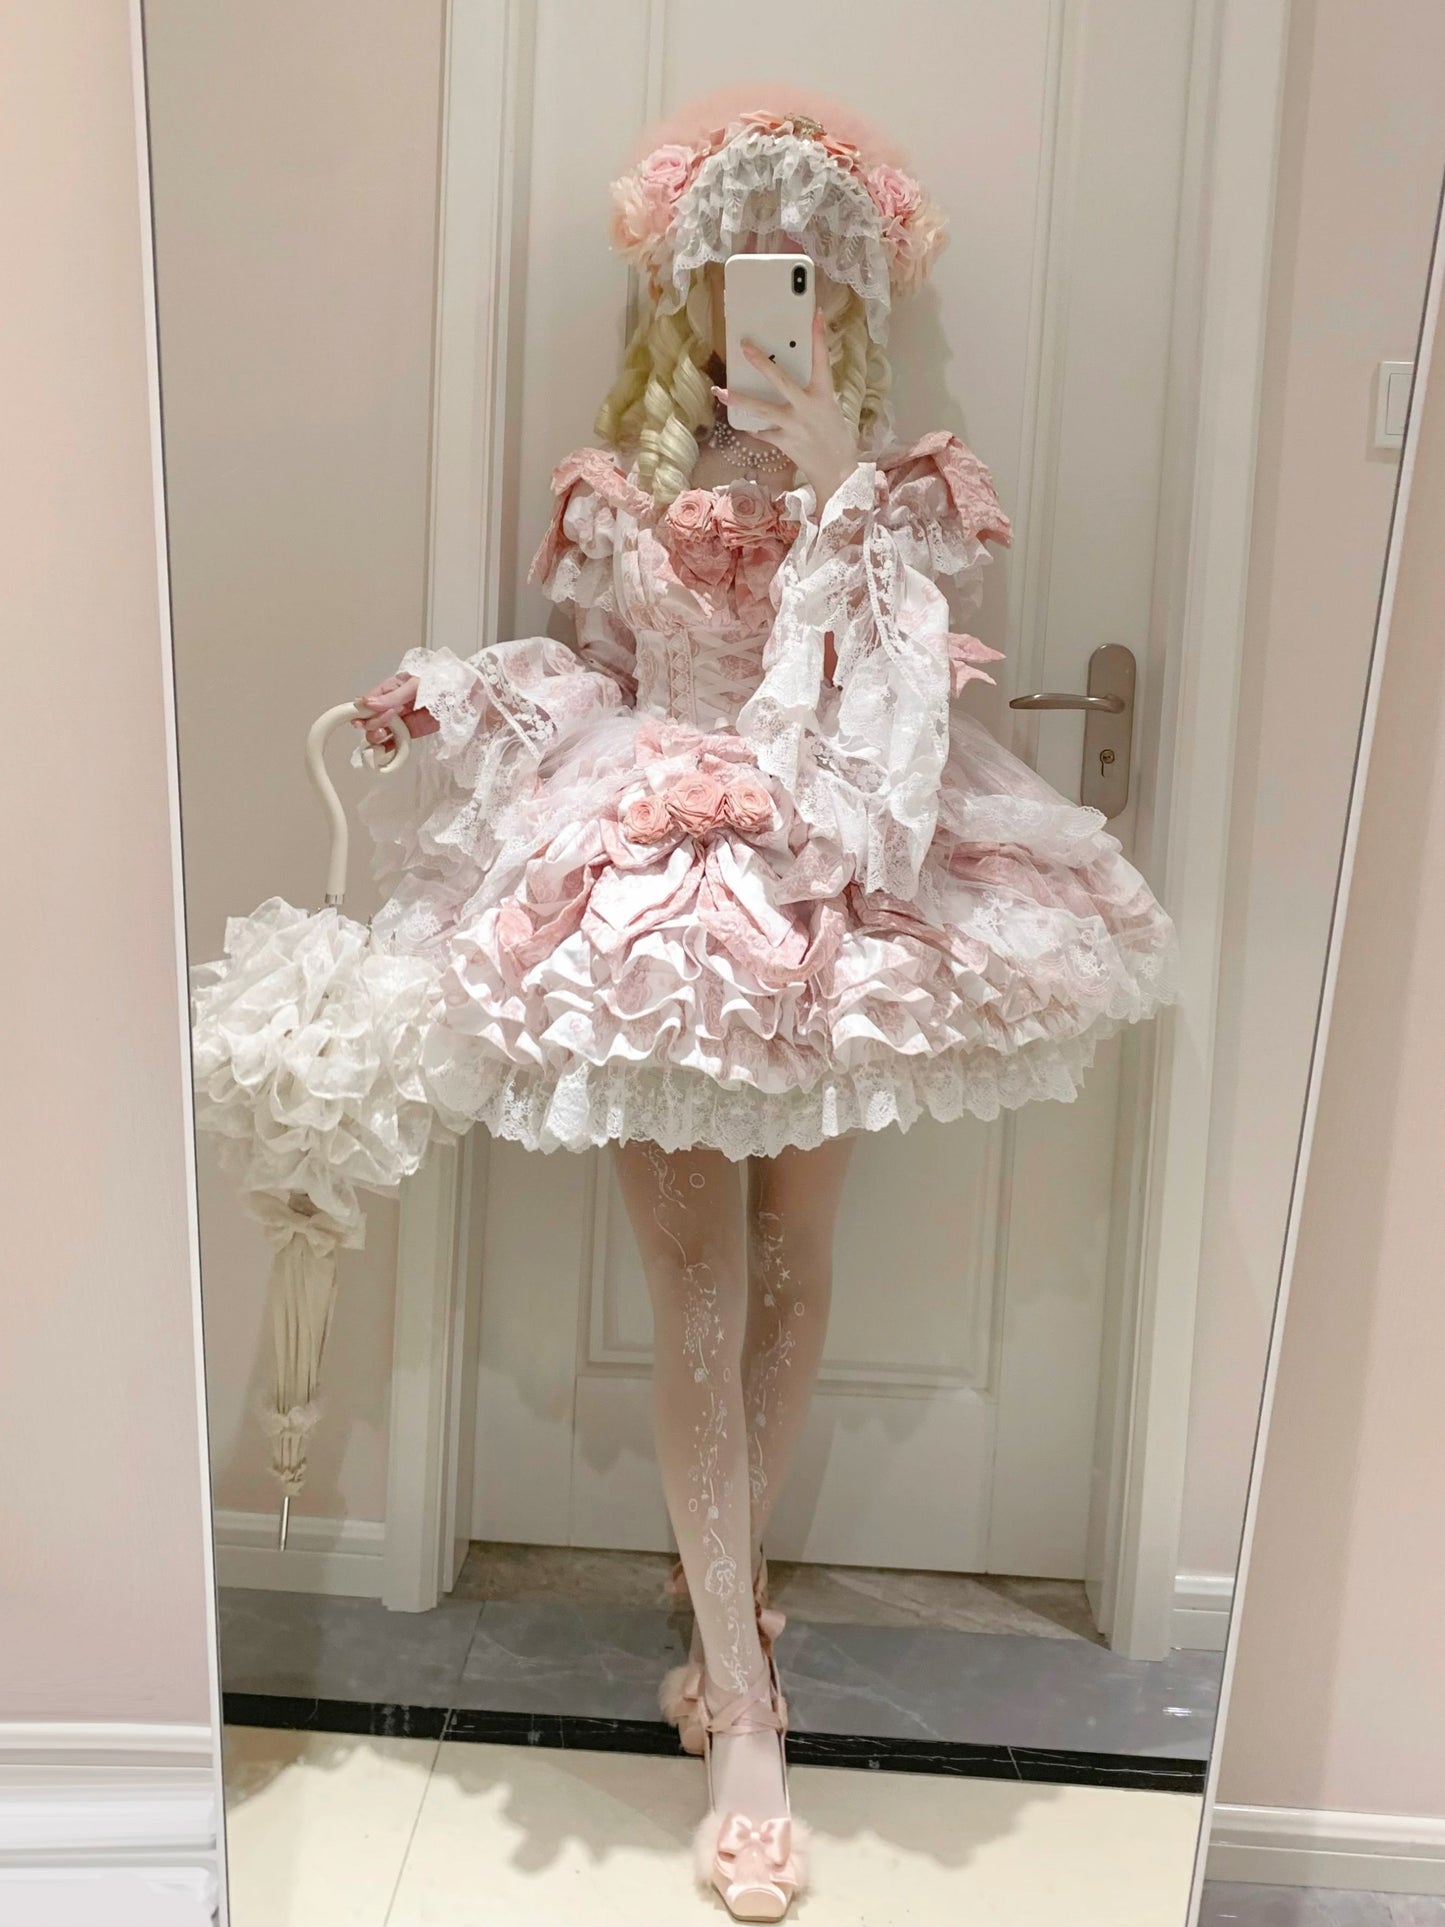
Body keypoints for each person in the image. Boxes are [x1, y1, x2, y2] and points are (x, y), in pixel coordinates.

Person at [349, 87, 1177, 1922]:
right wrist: (455, 693)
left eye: (807, 269)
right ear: (687, 281)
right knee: (697, 1287)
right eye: (740, 265)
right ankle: (741, 1702)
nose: (771, 295)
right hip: (655, 882)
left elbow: (888, 692)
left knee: (796, 1256)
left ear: (850, 288)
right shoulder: (613, 482)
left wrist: (831, 482)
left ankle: (717, 1606)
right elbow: (591, 674)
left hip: (838, 860)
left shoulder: (895, 486)